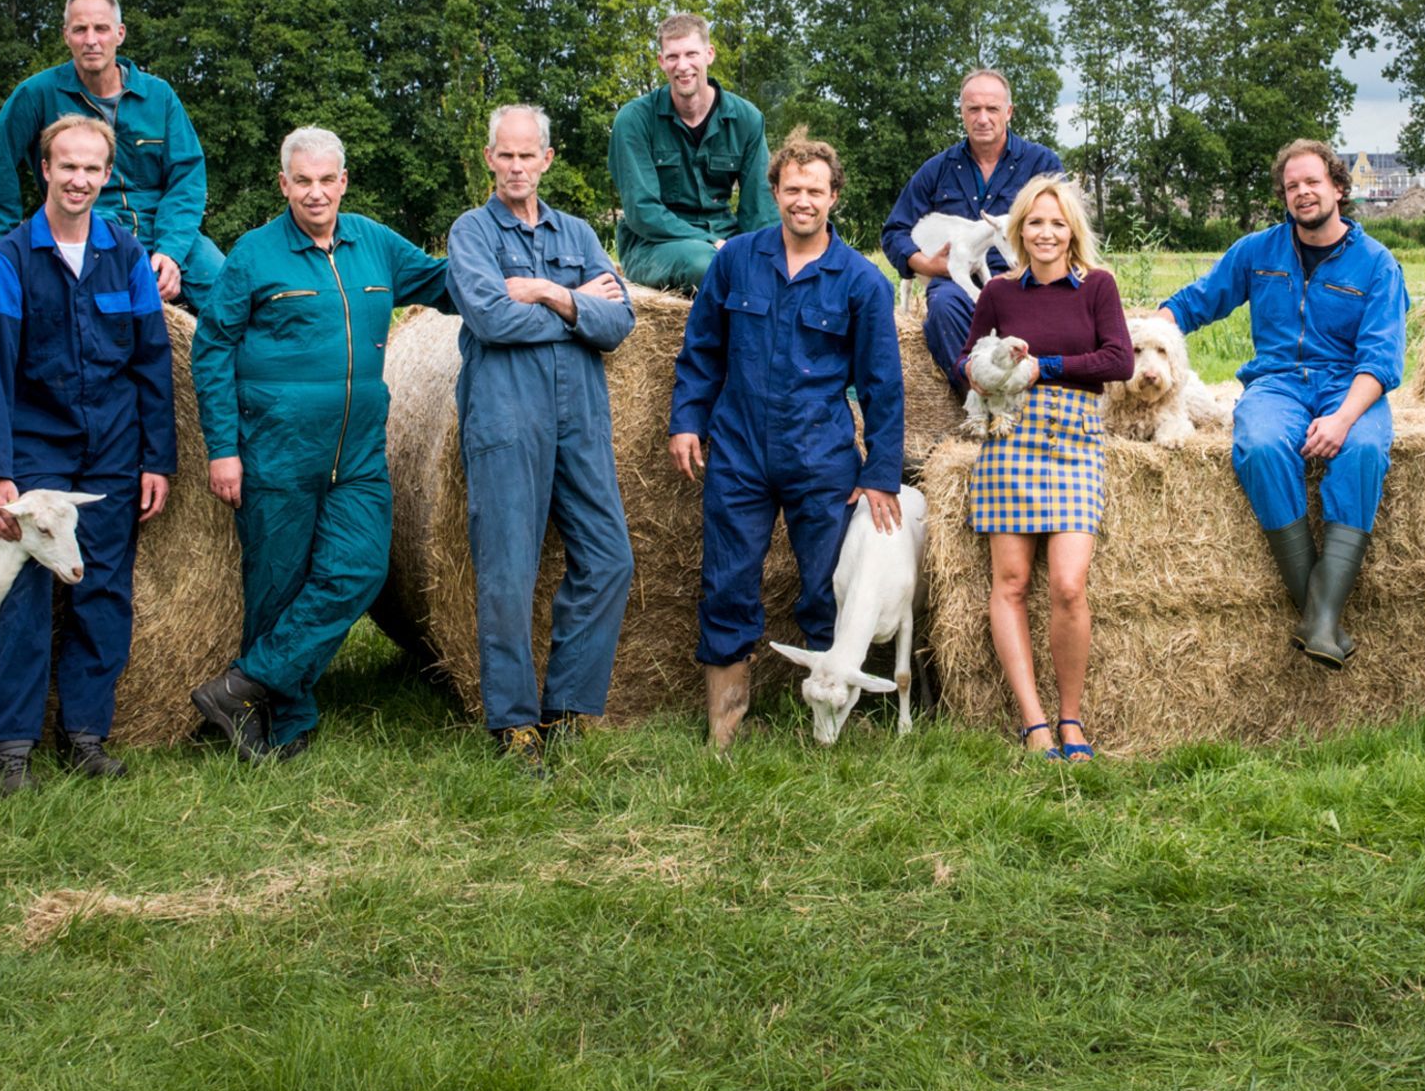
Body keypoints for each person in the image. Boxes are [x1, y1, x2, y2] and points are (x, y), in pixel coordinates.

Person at [186, 127, 457, 761]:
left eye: (326, 180)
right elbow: (211, 348)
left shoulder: (375, 245)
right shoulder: (253, 255)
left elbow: (446, 282)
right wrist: (222, 448)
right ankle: (287, 721)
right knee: (277, 585)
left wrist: (536, 273)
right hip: (275, 447)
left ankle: (240, 687)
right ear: (284, 185)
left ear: (343, 182)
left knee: (361, 568)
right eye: (301, 181)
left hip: (359, 451)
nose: (315, 193)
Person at [669, 128, 904, 751]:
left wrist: (881, 473)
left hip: (820, 459)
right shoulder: (736, 260)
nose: (804, 200)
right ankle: (725, 724)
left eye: (816, 191)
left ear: (833, 198)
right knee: (726, 582)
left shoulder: (861, 282)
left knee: (825, 588)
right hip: (740, 452)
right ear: (774, 191)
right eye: (792, 188)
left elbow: (883, 384)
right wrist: (687, 419)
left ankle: (827, 718)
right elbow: (702, 351)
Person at [0, 115, 178, 795]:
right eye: (69, 167)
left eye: (93, 169)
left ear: (107, 174)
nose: (81, 180)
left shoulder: (125, 255)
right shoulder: (9, 260)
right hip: (39, 447)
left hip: (115, 448)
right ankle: (11, 748)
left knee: (103, 588)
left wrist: (159, 459)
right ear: (45, 170)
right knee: (27, 592)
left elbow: (153, 362)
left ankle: (85, 734)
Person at [1161, 139, 1408, 669]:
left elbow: (1382, 361)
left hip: (1350, 385)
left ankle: (1318, 618)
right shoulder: (1258, 251)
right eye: (1292, 186)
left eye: (1313, 182)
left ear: (1338, 188)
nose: (1302, 193)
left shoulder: (1378, 265)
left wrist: (1342, 420)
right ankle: (1322, 619)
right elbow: (1197, 302)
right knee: (1262, 445)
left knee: (1363, 452)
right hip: (1277, 383)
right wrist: (1140, 332)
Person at [445, 105, 636, 776]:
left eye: (529, 156)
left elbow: (622, 321)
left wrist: (551, 294)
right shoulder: (470, 233)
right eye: (506, 156)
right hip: (505, 418)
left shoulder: (578, 233)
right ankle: (516, 724)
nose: (518, 167)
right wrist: (578, 305)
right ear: (490, 159)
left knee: (610, 558)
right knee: (506, 572)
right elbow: (491, 319)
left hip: (579, 417)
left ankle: (564, 707)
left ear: (547, 160)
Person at [964, 175, 1131, 759]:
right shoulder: (1000, 294)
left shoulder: (1098, 287)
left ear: (1072, 232)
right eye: (1035, 222)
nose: (1045, 232)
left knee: (1067, 585)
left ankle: (1071, 719)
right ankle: (1034, 723)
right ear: (1018, 230)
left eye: (1057, 222)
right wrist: (986, 368)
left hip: (1074, 440)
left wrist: (1046, 366)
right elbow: (971, 358)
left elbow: (1119, 360)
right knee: (1009, 584)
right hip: (1010, 438)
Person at [0, 0, 224, 309]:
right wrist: (9, 248)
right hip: (84, 224)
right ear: (66, 35)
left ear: (119, 34)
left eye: (101, 28)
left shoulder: (158, 96)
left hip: (161, 226)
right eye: (80, 29)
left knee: (227, 292)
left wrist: (171, 251)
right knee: (97, 311)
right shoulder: (37, 93)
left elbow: (187, 175)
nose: (91, 39)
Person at [880, 69, 1066, 397]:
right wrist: (925, 265)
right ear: (962, 113)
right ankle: (978, 396)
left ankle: (1033, 396)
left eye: (992, 109)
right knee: (943, 307)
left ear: (1009, 112)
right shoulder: (937, 169)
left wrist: (1033, 266)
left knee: (1049, 315)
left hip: (1025, 278)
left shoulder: (1041, 164)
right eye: (973, 109)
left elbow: (1067, 227)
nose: (982, 118)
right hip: (956, 282)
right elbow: (895, 230)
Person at [608, 13, 777, 291]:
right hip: (654, 245)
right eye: (673, 57)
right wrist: (711, 243)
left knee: (779, 265)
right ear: (662, 61)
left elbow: (760, 208)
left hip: (724, 236)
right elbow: (642, 211)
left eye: (691, 54)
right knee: (708, 265)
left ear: (709, 54)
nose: (682, 66)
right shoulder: (634, 120)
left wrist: (761, 253)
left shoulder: (747, 119)